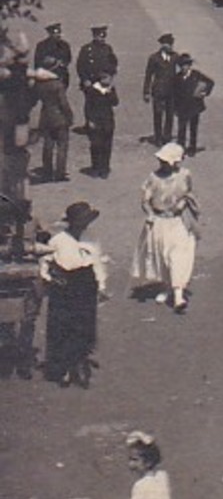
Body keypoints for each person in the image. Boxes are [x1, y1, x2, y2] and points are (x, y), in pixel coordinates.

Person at [40, 201, 110, 387]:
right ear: (72, 222)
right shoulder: (58, 241)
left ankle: (80, 364)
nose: (85, 224)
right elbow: (45, 263)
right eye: (81, 220)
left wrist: (101, 285)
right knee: (62, 325)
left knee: (84, 325)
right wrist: (49, 279)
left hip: (86, 283)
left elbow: (97, 262)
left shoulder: (91, 238)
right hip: (64, 285)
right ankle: (62, 367)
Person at [132, 142, 200, 313]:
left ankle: (178, 294)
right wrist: (149, 214)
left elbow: (189, 194)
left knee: (178, 256)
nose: (162, 164)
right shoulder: (153, 177)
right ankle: (166, 286)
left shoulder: (185, 175)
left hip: (179, 221)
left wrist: (183, 203)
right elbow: (145, 201)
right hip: (159, 221)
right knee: (161, 256)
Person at [31, 66, 72, 183]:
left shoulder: (40, 86)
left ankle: (47, 170)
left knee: (48, 145)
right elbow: (63, 103)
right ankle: (60, 173)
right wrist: (69, 116)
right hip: (59, 117)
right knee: (62, 146)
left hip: (45, 116)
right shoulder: (58, 85)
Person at [172, 54, 215, 156]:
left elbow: (210, 82)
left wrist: (205, 93)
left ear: (189, 65)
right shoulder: (177, 77)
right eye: (181, 66)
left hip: (194, 106)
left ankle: (192, 148)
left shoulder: (196, 74)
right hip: (182, 107)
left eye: (185, 65)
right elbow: (174, 92)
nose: (183, 68)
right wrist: (174, 107)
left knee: (193, 128)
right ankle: (180, 148)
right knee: (181, 129)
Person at [143, 34, 180, 145]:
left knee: (170, 114)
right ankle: (158, 137)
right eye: (168, 44)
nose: (170, 46)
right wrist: (146, 92)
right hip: (158, 90)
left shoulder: (175, 57)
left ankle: (167, 136)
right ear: (162, 45)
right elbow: (148, 75)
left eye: (171, 44)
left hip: (171, 90)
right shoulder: (154, 58)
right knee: (158, 114)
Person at [82, 71, 118, 178]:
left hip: (108, 121)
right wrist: (90, 120)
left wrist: (110, 92)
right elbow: (88, 107)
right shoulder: (92, 91)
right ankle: (96, 167)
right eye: (105, 78)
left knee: (107, 146)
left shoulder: (110, 90)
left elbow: (115, 102)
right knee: (96, 145)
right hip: (96, 122)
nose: (108, 81)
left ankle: (104, 168)